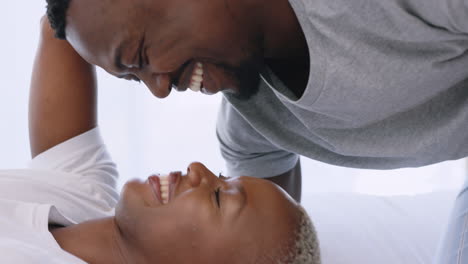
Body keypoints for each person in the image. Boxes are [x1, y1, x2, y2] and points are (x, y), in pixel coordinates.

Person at [43, 0, 468, 262]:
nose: (158, 89)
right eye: (135, 78)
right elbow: (259, 243)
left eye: (139, 54)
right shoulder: (252, 121)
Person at [0, 17, 320, 264]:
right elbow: (61, 28)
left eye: (221, 198)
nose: (198, 167)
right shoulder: (87, 201)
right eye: (221, 178)